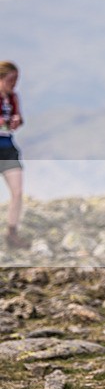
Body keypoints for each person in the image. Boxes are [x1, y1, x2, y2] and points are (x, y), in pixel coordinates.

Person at [0, 62, 31, 250]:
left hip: (8, 147)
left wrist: (16, 121)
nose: (14, 84)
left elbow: (17, 118)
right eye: (11, 80)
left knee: (17, 192)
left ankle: (12, 233)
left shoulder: (12, 98)